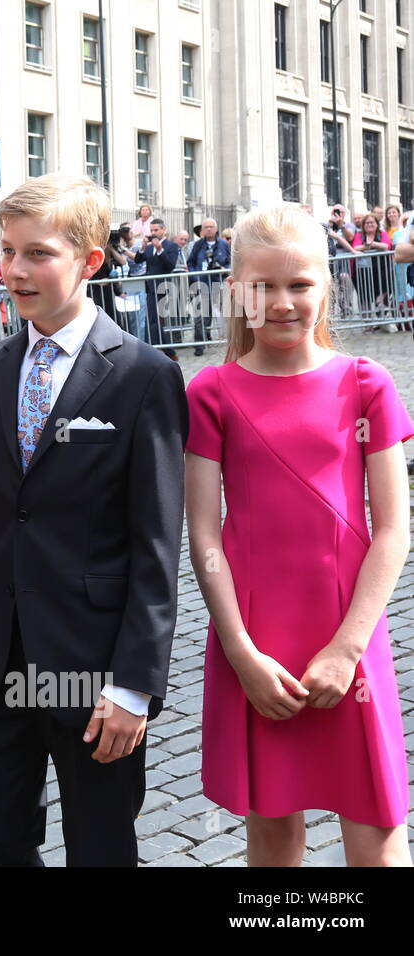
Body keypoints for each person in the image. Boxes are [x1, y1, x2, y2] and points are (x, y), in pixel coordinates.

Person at [0, 173, 187, 866]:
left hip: (93, 666)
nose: (14, 270)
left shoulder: (142, 374)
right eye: (6, 250)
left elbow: (157, 545)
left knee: (101, 845)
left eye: (38, 253)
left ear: (90, 262)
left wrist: (135, 683)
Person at [185, 204, 412, 866]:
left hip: (350, 635)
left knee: (377, 833)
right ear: (237, 292)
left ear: (327, 286)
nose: (282, 303)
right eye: (263, 286)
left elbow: (393, 531)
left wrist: (347, 650)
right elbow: (203, 532)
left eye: (299, 284)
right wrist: (240, 652)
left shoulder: (365, 385)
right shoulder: (212, 393)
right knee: (273, 832)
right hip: (254, 640)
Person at [132, 218, 181, 358]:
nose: (153, 232)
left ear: (163, 230)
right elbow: (137, 260)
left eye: (156, 230)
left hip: (163, 287)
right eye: (151, 230)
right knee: (153, 320)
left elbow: (170, 265)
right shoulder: (148, 247)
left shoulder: (171, 246)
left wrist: (160, 249)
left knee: (154, 320)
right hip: (150, 287)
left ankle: (152, 351)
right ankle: (165, 352)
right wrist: (142, 247)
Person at [186, 218, 231, 355]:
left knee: (225, 313)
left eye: (211, 226)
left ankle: (230, 341)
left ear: (216, 229)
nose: (209, 229)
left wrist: (224, 269)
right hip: (202, 283)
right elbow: (191, 263)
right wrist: (196, 277)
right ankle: (199, 344)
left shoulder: (224, 244)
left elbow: (231, 262)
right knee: (201, 314)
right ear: (202, 230)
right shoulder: (198, 245)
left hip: (219, 282)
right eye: (206, 227)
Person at [351, 213, 392, 313]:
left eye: (372, 222)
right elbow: (355, 247)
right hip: (362, 271)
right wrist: (372, 246)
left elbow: (386, 246)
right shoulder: (359, 235)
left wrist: (371, 244)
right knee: (364, 297)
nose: (369, 224)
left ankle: (382, 320)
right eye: (367, 223)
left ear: (377, 224)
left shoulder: (382, 234)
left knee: (384, 289)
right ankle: (368, 326)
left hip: (381, 269)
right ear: (363, 225)